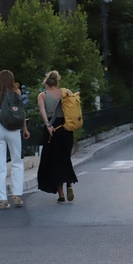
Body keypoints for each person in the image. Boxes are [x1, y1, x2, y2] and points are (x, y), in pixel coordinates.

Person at [0, 70, 30, 210]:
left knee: (0, 165)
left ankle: (2, 199)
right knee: (16, 162)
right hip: (13, 128)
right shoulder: (16, 92)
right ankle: (16, 195)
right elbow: (20, 112)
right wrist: (25, 128)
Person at [37, 71, 78, 203]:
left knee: (54, 161)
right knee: (65, 158)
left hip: (53, 130)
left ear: (46, 84)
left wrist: (48, 125)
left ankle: (61, 195)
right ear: (57, 82)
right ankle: (69, 183)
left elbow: (42, 111)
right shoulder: (66, 92)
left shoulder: (42, 96)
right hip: (66, 128)